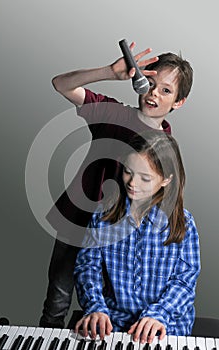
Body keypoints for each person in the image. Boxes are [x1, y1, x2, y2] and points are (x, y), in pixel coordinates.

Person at [39, 41, 194, 329]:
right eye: (150, 82)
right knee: (57, 302)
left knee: (108, 307)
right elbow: (61, 84)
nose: (153, 93)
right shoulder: (112, 113)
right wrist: (109, 72)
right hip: (79, 221)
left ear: (178, 102)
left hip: (117, 238)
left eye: (166, 90)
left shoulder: (164, 143)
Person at [74, 132, 201, 342]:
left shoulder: (183, 223)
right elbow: (88, 267)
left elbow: (185, 282)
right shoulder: (102, 215)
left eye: (145, 178)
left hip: (166, 326)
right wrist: (95, 306)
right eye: (128, 172)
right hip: (112, 323)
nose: (132, 183)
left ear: (166, 180)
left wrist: (159, 314)